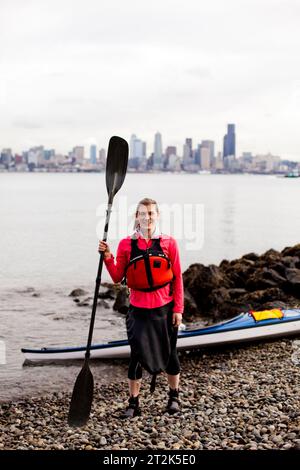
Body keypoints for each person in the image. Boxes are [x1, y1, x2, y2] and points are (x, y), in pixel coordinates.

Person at [98, 197, 184, 418]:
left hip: (164, 308)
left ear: (157, 216)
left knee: (170, 353)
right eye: (142, 214)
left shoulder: (169, 243)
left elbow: (177, 279)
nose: (147, 217)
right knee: (136, 356)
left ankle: (173, 397)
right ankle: (133, 403)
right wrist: (108, 256)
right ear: (137, 217)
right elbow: (118, 276)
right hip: (138, 308)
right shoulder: (126, 244)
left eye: (151, 213)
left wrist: (178, 309)